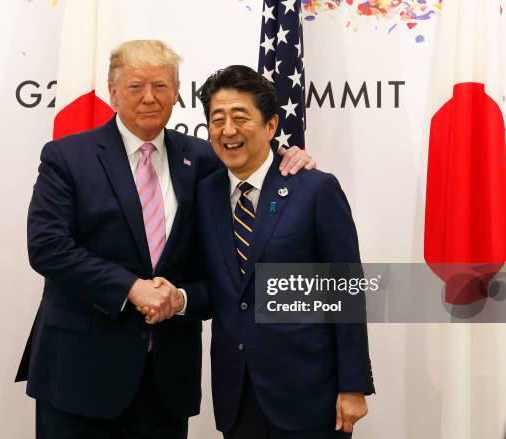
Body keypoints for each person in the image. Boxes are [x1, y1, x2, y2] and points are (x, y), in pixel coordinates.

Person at [15, 40, 314, 439]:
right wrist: (131, 288)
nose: (149, 98)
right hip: (78, 374)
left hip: (166, 382)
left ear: (176, 93)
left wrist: (288, 158)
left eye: (161, 86)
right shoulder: (67, 156)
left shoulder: (206, 159)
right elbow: (47, 247)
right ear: (113, 91)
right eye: (136, 86)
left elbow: (248, 186)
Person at [152, 65, 374, 439]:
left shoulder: (315, 190)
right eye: (217, 119)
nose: (228, 130)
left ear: (271, 126)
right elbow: (223, 290)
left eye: (241, 118)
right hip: (237, 395)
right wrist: (181, 298)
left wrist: (353, 385)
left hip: (310, 394)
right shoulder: (204, 195)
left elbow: (346, 290)